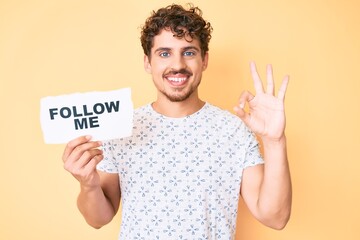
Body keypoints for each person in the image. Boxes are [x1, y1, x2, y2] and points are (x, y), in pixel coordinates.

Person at [62, 3, 292, 239]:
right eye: (164, 53)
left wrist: (275, 141)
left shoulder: (233, 131)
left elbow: (275, 217)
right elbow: (98, 218)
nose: (178, 65)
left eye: (189, 52)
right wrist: (88, 184)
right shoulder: (122, 128)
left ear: (204, 60)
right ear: (147, 62)